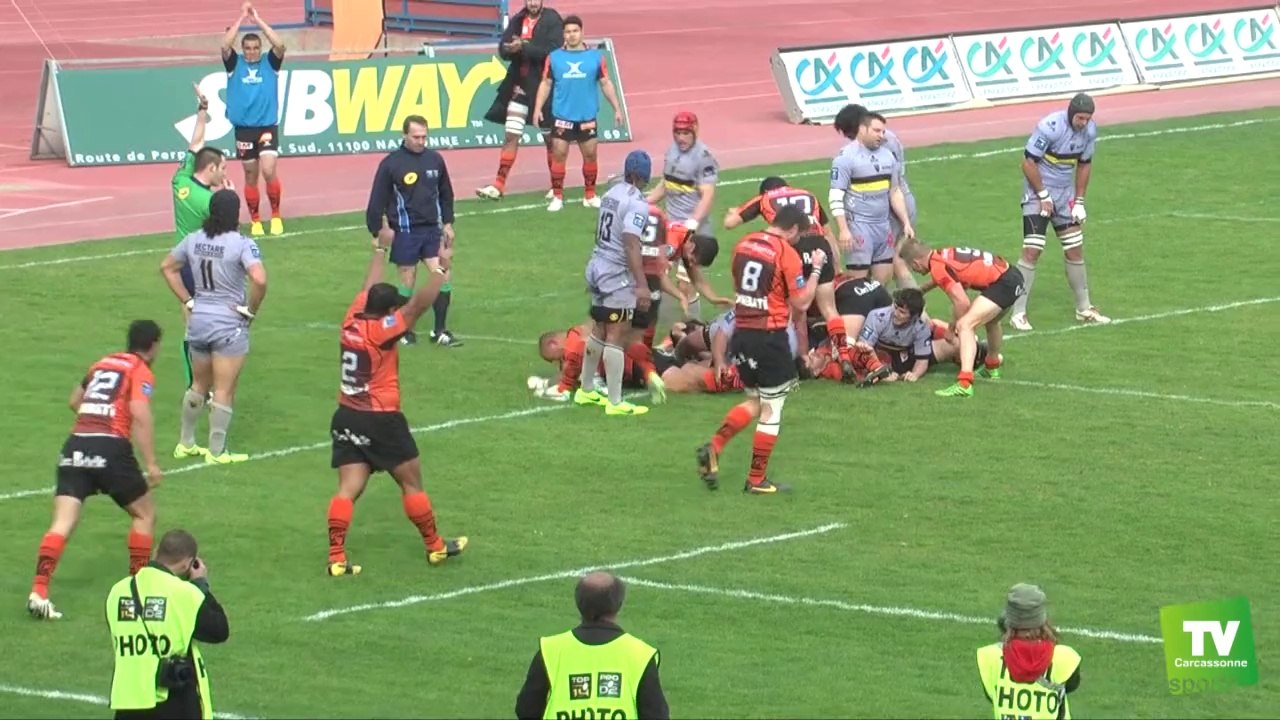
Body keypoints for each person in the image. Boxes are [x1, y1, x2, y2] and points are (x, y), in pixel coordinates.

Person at [325, 236, 467, 576]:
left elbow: (368, 286)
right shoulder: (381, 330)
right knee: (411, 484)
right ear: (389, 311)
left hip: (346, 415)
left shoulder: (352, 319)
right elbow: (417, 305)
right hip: (381, 419)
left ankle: (336, 558)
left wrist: (379, 249)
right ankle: (435, 546)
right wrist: (442, 266)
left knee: (347, 489)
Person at [27, 321, 164, 621]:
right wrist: (151, 462)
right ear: (153, 345)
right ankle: (136, 594)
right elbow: (139, 414)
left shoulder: (102, 363)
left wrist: (96, 419)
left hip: (76, 444)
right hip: (111, 448)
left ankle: (39, 591)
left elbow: (74, 401)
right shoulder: (140, 370)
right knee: (145, 515)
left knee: (63, 521)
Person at [696, 206, 823, 495]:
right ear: (791, 229)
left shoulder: (743, 244)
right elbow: (802, 304)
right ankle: (756, 479)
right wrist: (814, 269)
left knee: (755, 400)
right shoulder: (785, 253)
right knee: (772, 407)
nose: (797, 241)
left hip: (741, 333)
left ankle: (714, 447)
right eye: (799, 235)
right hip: (770, 337)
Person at [161, 189, 267, 464]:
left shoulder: (193, 239)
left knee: (198, 384)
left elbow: (167, 267)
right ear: (236, 213)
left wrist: (187, 299)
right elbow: (260, 279)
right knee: (224, 389)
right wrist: (250, 310)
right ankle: (217, 451)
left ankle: (186, 443)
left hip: (199, 321)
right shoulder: (242, 243)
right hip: (228, 324)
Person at [1011, 93, 1110, 331]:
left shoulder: (1089, 131)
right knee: (1032, 250)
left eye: (1087, 119)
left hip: (1065, 194)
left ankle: (1084, 308)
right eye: (1080, 118)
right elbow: (1027, 162)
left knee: (1074, 248)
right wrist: (1043, 195)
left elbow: (1085, 164)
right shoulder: (1050, 127)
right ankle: (1018, 312)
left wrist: (1080, 201)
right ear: (1071, 112)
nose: (1083, 123)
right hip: (1038, 192)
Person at [106, 529, 230, 720]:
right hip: (173, 701)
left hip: (129, 702)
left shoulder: (118, 591)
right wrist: (201, 585)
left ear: (157, 552)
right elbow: (219, 630)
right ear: (189, 563)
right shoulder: (184, 594)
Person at [515, 572, 669, 719]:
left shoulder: (552, 651)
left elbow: (527, 709)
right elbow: (655, 715)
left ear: (578, 603)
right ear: (618, 604)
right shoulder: (639, 655)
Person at [365, 115, 460, 348]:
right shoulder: (391, 164)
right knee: (408, 280)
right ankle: (405, 330)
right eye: (416, 136)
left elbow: (446, 193)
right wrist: (376, 231)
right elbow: (376, 200)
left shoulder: (435, 160)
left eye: (424, 136)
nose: (421, 141)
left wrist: (448, 223)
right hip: (405, 232)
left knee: (442, 277)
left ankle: (440, 331)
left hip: (431, 230)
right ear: (404, 135)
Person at [573, 150, 655, 416]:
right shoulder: (638, 204)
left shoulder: (610, 194)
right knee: (616, 333)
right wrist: (641, 284)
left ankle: (585, 390)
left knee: (599, 327)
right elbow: (631, 243)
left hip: (596, 264)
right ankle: (616, 402)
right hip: (615, 272)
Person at [899, 240, 1024, 398]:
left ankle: (964, 383)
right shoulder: (941, 254)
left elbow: (962, 302)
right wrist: (923, 289)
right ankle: (991, 366)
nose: (914, 271)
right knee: (991, 322)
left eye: (912, 267)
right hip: (1012, 276)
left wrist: (952, 329)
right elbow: (946, 273)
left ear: (916, 263)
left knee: (965, 325)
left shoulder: (938, 267)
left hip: (1003, 284)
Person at [532, 14, 624, 212]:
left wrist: (617, 108)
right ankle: (557, 196)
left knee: (590, 155)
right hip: (562, 117)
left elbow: (606, 83)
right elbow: (546, 83)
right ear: (563, 34)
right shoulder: (554, 57)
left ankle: (589, 195)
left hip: (587, 118)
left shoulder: (595, 58)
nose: (572, 35)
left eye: (575, 31)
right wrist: (537, 108)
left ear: (582, 33)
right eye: (568, 32)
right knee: (559, 155)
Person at [476, 0, 564, 202]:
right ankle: (498, 185)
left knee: (549, 139)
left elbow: (553, 50)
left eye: (536, 0)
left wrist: (523, 46)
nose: (532, 3)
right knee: (510, 135)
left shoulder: (552, 19)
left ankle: (556, 185)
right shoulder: (517, 19)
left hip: (543, 89)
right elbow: (502, 48)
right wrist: (509, 49)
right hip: (519, 88)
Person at [172, 83, 229, 390]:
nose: (224, 172)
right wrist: (229, 198)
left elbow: (196, 143)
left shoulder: (180, 177)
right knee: (210, 330)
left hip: (182, 263)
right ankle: (202, 385)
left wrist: (203, 111)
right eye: (222, 167)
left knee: (190, 327)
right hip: (204, 266)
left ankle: (193, 384)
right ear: (210, 168)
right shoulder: (210, 202)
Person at [829, 105, 915, 284]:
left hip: (888, 203)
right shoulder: (854, 153)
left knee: (894, 262)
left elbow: (894, 188)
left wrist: (905, 221)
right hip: (886, 201)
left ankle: (913, 311)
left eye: (849, 134)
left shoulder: (881, 145)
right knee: (884, 263)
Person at [220, 2, 286, 236]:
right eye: (247, 48)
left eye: (255, 47)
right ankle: (256, 220)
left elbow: (280, 45)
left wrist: (257, 20)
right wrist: (241, 18)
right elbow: (225, 45)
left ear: (260, 48)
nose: (251, 51)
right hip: (244, 130)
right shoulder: (234, 64)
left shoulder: (270, 63)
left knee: (269, 171)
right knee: (250, 175)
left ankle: (276, 216)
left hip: (267, 126)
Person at [647, 111, 720, 319]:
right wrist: (644, 202)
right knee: (655, 272)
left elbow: (707, 195)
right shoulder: (671, 152)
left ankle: (691, 327)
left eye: (686, 132)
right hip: (671, 229)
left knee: (686, 282)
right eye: (677, 132)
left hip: (693, 233)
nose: (681, 137)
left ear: (695, 129)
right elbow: (666, 185)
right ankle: (669, 322)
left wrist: (692, 223)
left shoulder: (704, 158)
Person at [977, 583, 1082, 720]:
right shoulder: (1064, 658)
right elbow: (1072, 685)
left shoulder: (990, 657)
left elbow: (991, 695)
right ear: (1043, 620)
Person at [539, 323, 668, 403]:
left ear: (553, 344)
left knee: (675, 376)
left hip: (633, 368)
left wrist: (559, 386)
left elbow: (571, 371)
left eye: (553, 359)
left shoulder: (574, 345)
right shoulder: (579, 333)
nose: (557, 362)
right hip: (641, 358)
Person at [852, 288, 935, 383]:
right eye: (895, 308)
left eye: (902, 312)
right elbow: (864, 348)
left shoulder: (921, 327)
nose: (896, 314)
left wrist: (915, 374)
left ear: (914, 316)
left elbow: (923, 359)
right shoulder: (877, 316)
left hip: (904, 356)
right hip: (877, 354)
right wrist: (881, 371)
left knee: (944, 347)